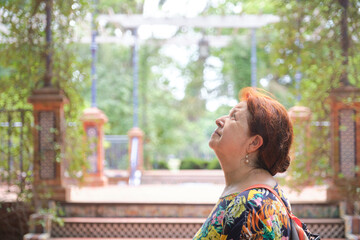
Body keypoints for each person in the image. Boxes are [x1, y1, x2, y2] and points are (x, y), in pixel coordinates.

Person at [193, 87, 294, 240]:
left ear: (254, 142)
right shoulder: (247, 193)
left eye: (233, 117)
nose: (219, 120)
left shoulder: (252, 206)